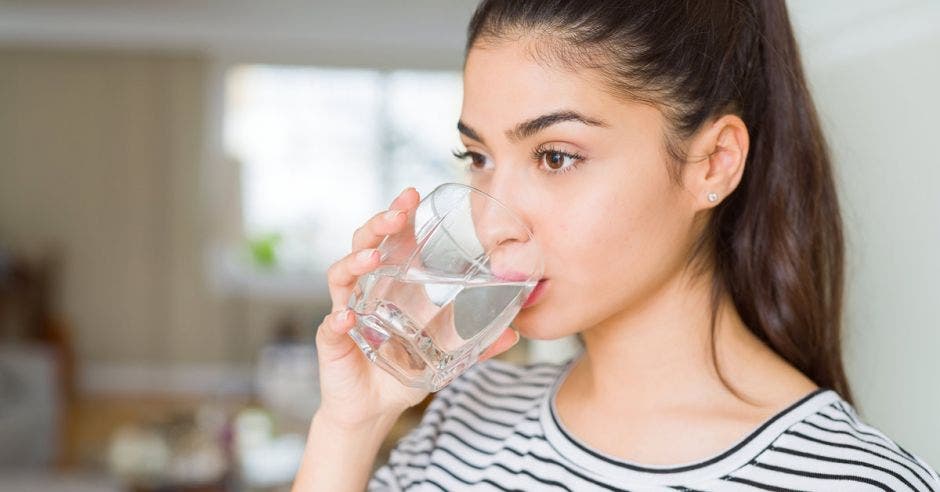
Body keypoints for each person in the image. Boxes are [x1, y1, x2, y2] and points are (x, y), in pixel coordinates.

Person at [292, 1, 940, 490]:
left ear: (712, 163)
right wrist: (351, 425)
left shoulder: (852, 480)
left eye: (555, 156)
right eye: (478, 156)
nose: (492, 226)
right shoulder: (467, 416)